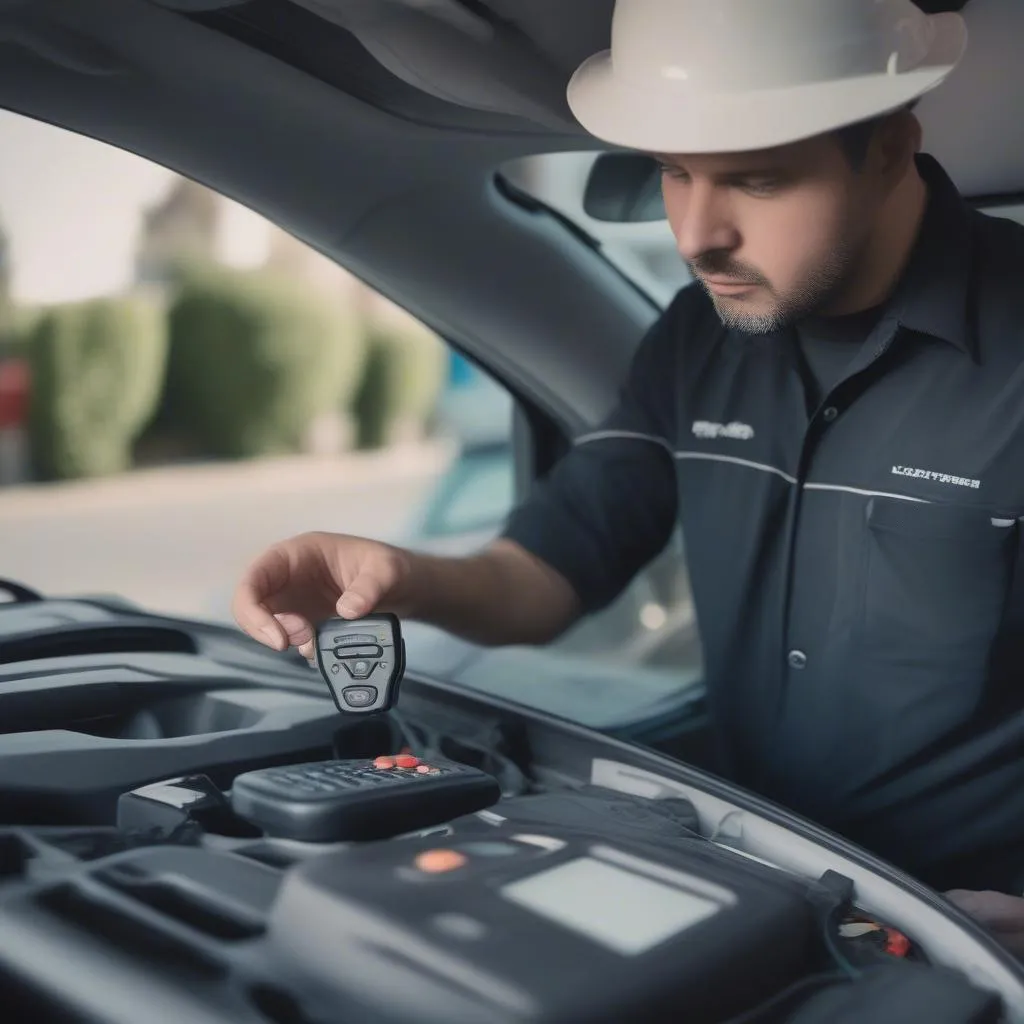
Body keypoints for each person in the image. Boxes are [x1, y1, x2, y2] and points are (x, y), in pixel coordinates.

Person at [233, 0, 1024, 953]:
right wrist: (401, 577)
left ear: (891, 147)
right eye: (673, 172)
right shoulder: (697, 336)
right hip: (751, 901)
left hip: (970, 939)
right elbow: (549, 575)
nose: (696, 234)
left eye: (758, 181)